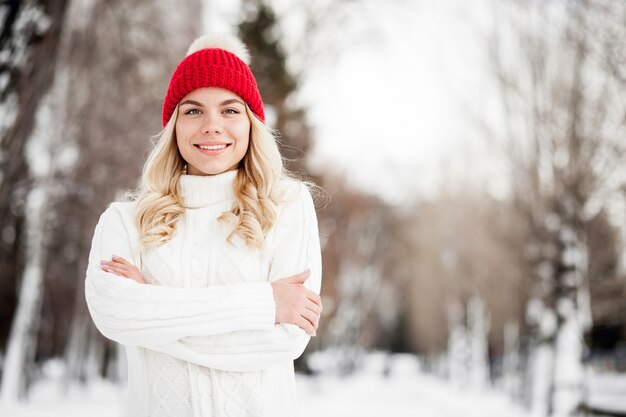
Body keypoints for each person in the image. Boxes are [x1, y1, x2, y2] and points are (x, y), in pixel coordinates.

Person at [85, 33, 323, 417]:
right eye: (193, 111)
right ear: (173, 126)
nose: (212, 126)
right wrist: (265, 302)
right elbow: (114, 313)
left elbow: (285, 339)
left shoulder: (288, 207)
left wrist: (152, 307)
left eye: (230, 110)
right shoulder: (125, 221)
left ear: (251, 123)